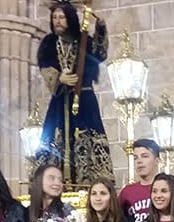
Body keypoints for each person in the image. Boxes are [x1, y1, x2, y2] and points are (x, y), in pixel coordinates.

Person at [35, 0, 113, 185]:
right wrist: (58, 78)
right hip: (60, 102)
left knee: (87, 140)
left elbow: (99, 53)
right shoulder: (49, 43)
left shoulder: (82, 40)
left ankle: (88, 183)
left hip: (84, 99)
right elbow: (45, 67)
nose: (58, 21)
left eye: (61, 17)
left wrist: (100, 27)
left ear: (69, 18)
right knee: (55, 141)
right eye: (54, 17)